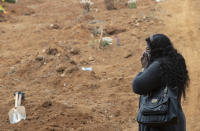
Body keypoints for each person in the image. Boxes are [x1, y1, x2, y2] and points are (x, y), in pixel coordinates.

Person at [132, 34, 189, 131]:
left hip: (158, 122)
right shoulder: (177, 61)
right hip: (175, 119)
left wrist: (145, 68)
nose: (145, 53)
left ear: (157, 50)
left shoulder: (159, 66)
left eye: (148, 50)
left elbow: (137, 86)